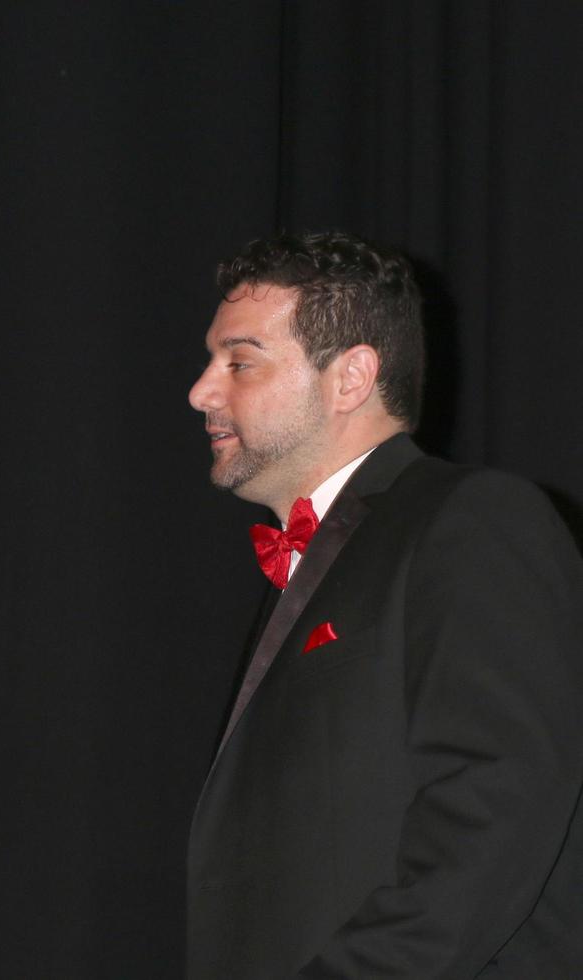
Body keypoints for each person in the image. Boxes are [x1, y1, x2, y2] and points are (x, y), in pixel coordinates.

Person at [185, 231, 583, 978]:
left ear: (350, 378)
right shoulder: (308, 570)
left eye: (238, 361)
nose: (201, 391)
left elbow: (497, 804)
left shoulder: (472, 519)